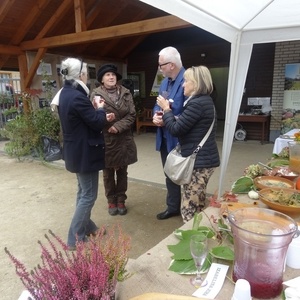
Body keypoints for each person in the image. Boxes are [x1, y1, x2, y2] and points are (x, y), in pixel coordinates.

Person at [54, 57, 115, 250]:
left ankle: (87, 226)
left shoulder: (65, 93)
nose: (87, 75)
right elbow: (96, 123)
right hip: (85, 152)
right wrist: (101, 109)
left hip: (76, 150)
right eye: (87, 72)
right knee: (88, 195)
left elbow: (83, 121)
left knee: (82, 192)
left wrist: (97, 112)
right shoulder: (78, 97)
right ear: (81, 74)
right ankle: (74, 237)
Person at [156, 65, 220, 223]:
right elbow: (189, 124)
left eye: (186, 81)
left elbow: (176, 130)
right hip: (204, 159)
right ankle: (198, 236)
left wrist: (166, 110)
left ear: (196, 84)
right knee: (197, 202)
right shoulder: (203, 101)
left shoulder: (197, 104)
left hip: (199, 162)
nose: (183, 84)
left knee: (189, 208)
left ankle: (192, 241)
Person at [91, 64, 137, 216]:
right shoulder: (96, 94)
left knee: (123, 171)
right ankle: (111, 200)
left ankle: (121, 199)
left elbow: (131, 115)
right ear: (102, 79)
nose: (111, 77)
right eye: (107, 75)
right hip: (107, 139)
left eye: (113, 75)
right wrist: (105, 120)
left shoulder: (125, 93)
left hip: (123, 138)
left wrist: (118, 126)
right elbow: (92, 117)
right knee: (108, 173)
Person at [152, 46, 186, 220]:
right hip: (165, 137)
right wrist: (155, 117)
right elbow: (158, 104)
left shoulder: (189, 80)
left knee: (185, 175)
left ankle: (188, 210)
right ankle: (173, 207)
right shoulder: (164, 82)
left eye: (161, 65)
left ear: (171, 65)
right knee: (169, 173)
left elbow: (191, 112)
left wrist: (168, 115)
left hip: (182, 139)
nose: (160, 68)